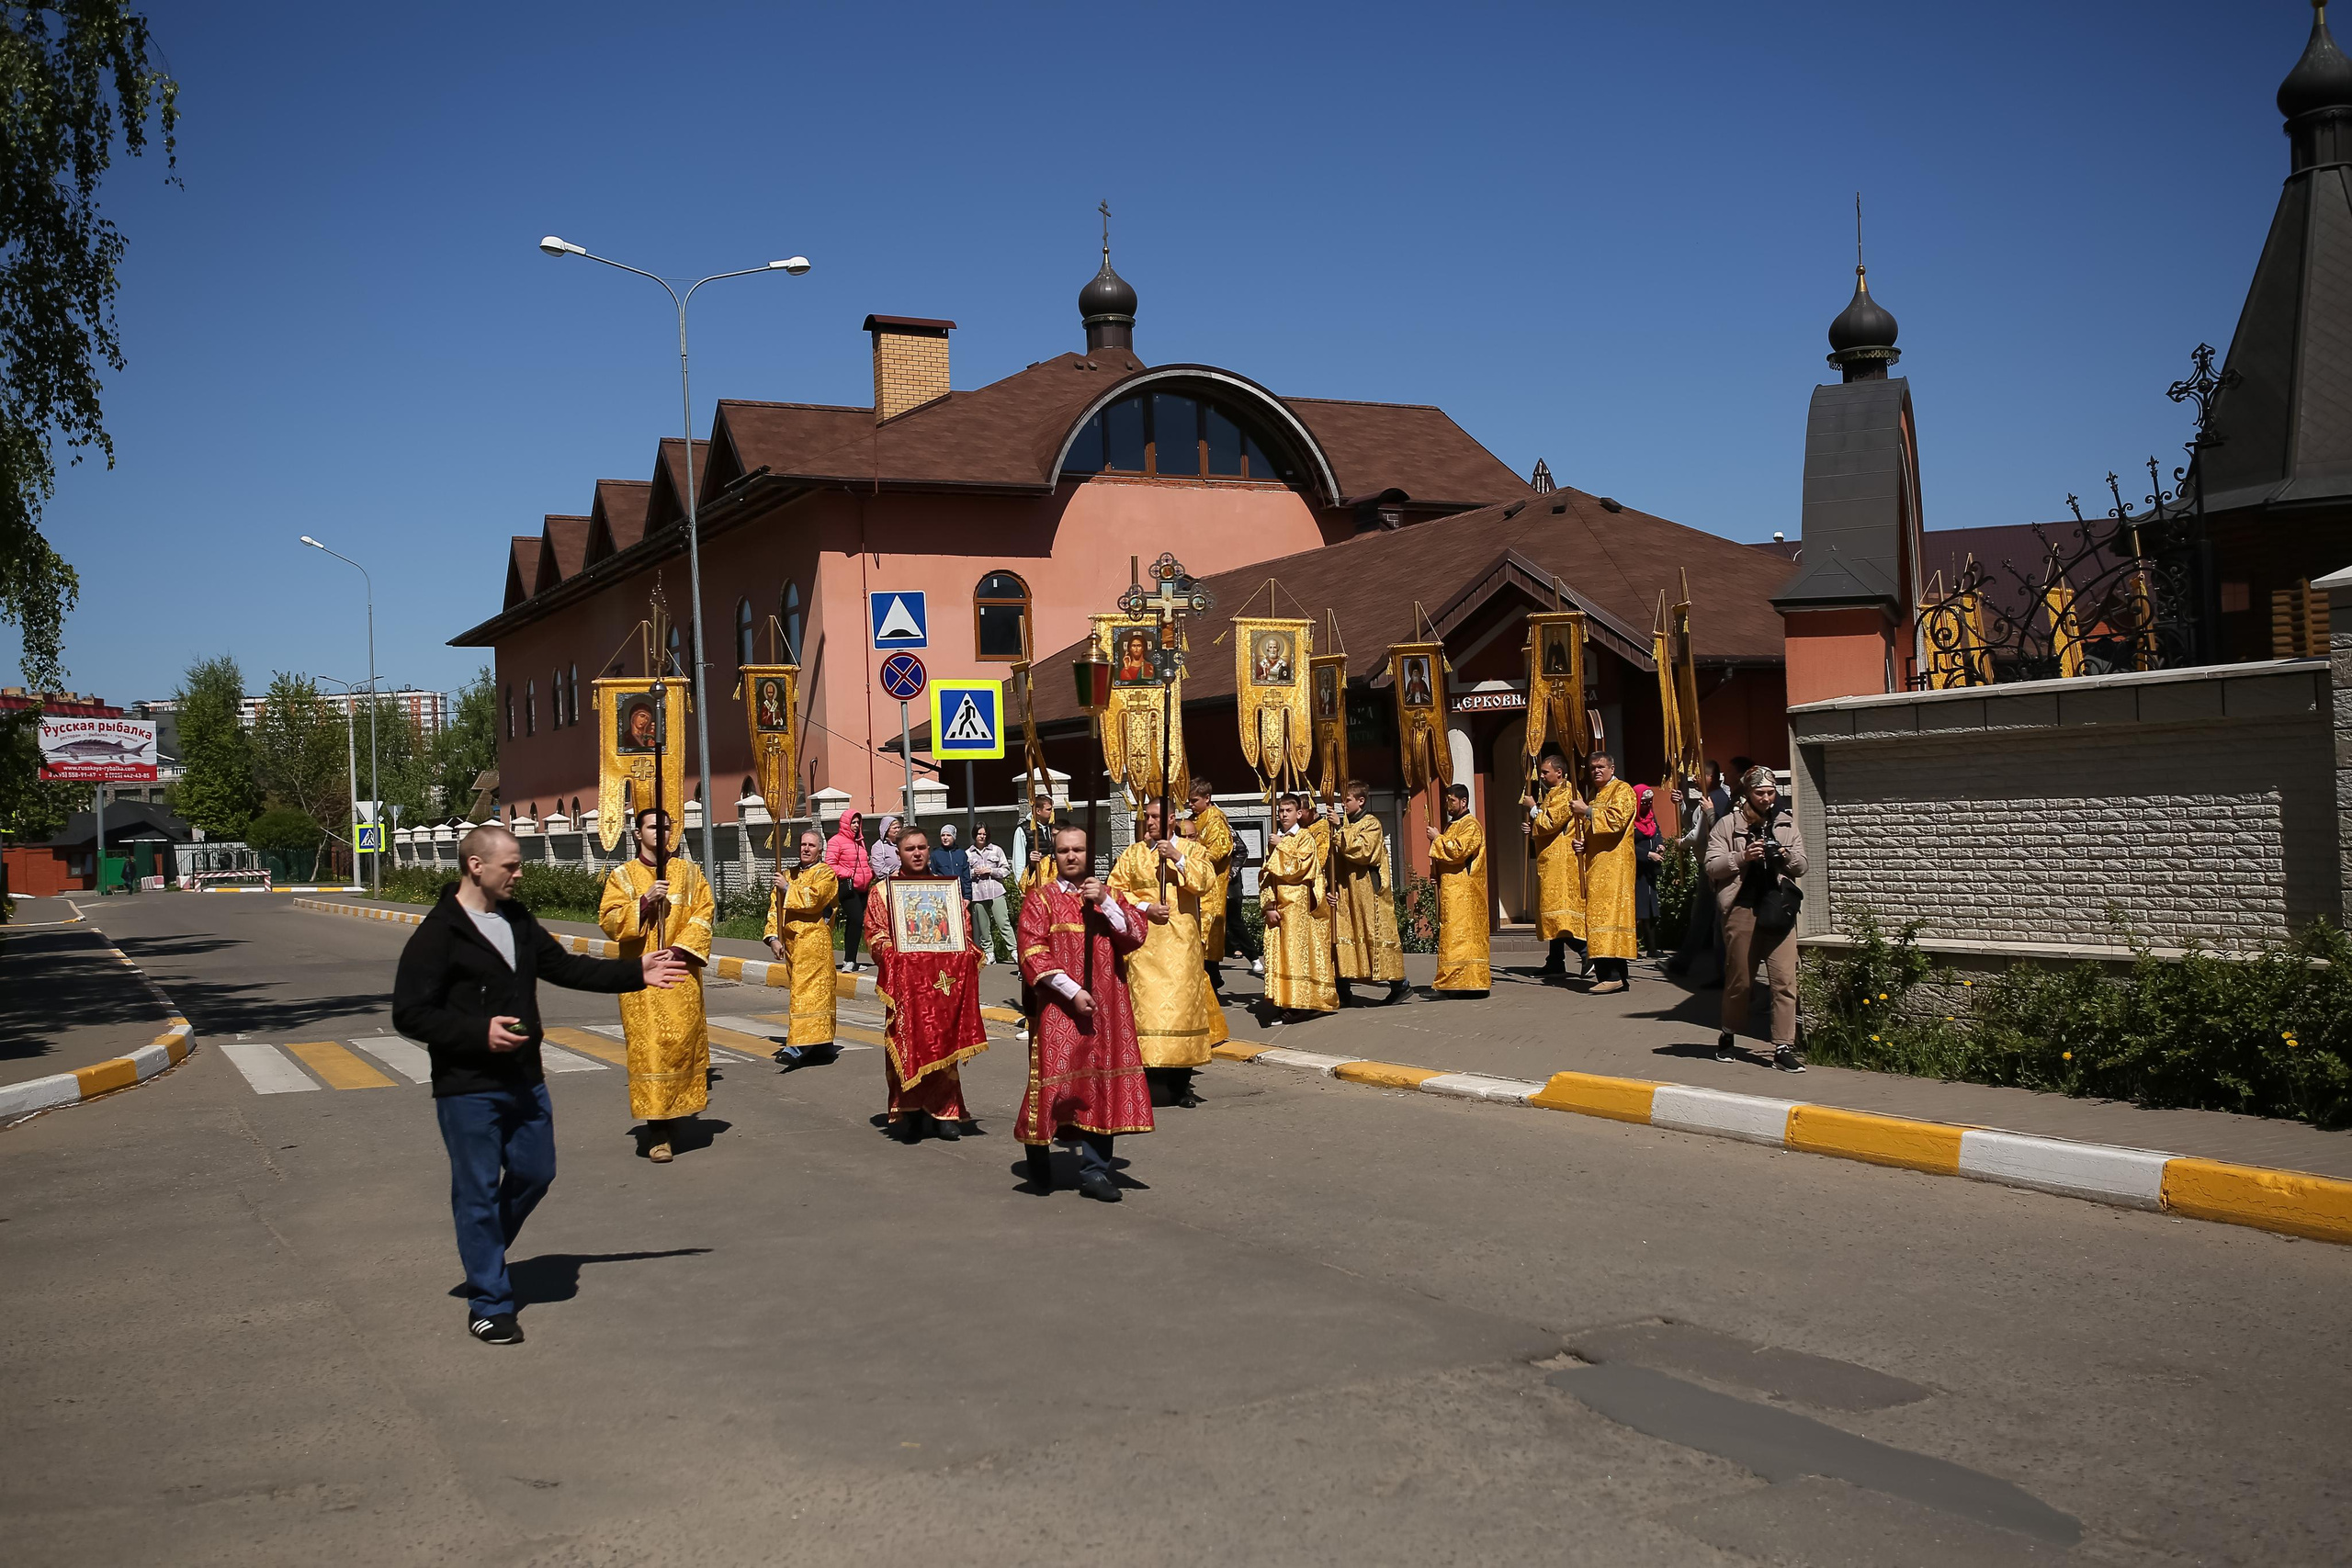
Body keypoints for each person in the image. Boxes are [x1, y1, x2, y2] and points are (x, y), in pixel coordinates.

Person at [393, 824, 685, 1345]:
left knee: (536, 1171)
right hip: (467, 1086)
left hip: (525, 1078)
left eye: (520, 863)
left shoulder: (516, 918)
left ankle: (482, 1251)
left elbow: (565, 968)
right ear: (475, 867)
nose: (520, 873)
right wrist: (476, 1032)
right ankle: (490, 1301)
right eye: (511, 865)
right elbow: (409, 1014)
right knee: (477, 1193)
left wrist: (635, 971)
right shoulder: (439, 932)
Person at [1017, 826, 1152, 1201]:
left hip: (1108, 1006)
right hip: (1061, 1007)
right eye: (1064, 851)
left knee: (1100, 1085)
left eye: (1078, 850)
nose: (1071, 856)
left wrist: (1106, 903)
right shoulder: (1040, 899)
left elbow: (1136, 935)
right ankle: (1040, 1158)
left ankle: (1095, 1171)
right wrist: (1072, 991)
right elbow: (1032, 952)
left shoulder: (1110, 895)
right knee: (1057, 1083)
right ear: (1054, 855)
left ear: (1089, 853)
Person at [597, 808, 716, 1163]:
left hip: (679, 972)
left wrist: (680, 949)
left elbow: (704, 913)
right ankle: (657, 1131)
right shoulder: (623, 877)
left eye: (666, 827)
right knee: (649, 1050)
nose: (661, 833)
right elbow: (610, 921)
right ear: (637, 834)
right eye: (652, 827)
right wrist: (645, 902)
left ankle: (674, 1111)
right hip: (641, 980)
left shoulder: (690, 873)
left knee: (680, 1043)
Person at [863, 825, 989, 1140]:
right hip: (906, 983)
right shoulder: (883, 891)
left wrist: (966, 951)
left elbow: (962, 930)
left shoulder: (945, 890)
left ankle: (945, 1112)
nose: (917, 853)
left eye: (922, 848)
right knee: (907, 1043)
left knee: (943, 1044)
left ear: (928, 850)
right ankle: (909, 1109)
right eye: (910, 849)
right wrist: (892, 954)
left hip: (940, 984)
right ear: (898, 853)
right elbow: (875, 932)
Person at [1106, 798, 1222, 1106]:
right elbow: (1115, 890)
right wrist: (1145, 907)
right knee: (1146, 1012)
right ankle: (1145, 1081)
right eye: (1147, 817)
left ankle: (1180, 1084)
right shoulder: (1134, 854)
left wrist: (1178, 857)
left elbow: (1206, 882)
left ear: (1172, 818)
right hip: (1144, 946)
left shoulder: (1192, 849)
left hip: (1180, 945)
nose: (1151, 822)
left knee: (1181, 1012)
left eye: (1156, 817)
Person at [1707, 767, 1807, 1073]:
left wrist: (1785, 855)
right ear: (1747, 794)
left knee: (1785, 981)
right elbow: (1712, 866)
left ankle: (1782, 1047)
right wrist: (1743, 857)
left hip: (1778, 910)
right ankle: (1728, 1033)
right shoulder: (1727, 825)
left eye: (1771, 792)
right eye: (1760, 793)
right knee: (1741, 980)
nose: (1766, 799)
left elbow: (1802, 865)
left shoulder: (1786, 823)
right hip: (1742, 910)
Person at [763, 828, 839, 1069]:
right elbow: (775, 908)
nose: (806, 849)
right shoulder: (788, 874)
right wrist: (773, 938)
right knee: (808, 995)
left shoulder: (826, 874)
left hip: (815, 945)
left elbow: (816, 900)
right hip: (793, 946)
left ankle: (796, 1047)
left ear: (819, 850)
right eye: (803, 844)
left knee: (806, 996)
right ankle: (822, 1044)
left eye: (811, 845)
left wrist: (788, 889)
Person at [1327, 780, 1408, 1005]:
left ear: (1361, 801)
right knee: (1342, 936)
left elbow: (1364, 852)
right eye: (1342, 799)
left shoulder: (1371, 823)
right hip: (1345, 891)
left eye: (1348, 799)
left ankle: (1400, 985)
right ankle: (1343, 990)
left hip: (1367, 892)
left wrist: (1341, 830)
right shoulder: (1342, 824)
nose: (1343, 804)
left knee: (1375, 937)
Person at [1259, 793, 1337, 1023]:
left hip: (1298, 903)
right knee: (1279, 953)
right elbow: (1266, 875)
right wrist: (1269, 905)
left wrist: (1281, 846)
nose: (1283, 815)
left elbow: (1300, 868)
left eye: (1288, 811)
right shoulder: (1276, 838)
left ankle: (1299, 1002)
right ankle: (1282, 998)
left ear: (1299, 813)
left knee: (1295, 953)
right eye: (1281, 811)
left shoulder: (1305, 838)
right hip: (1279, 903)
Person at [1571, 752, 1639, 995]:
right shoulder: (1594, 794)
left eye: (1600, 767)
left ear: (1612, 768)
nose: (1596, 771)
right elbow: (1592, 830)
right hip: (1596, 864)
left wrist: (1587, 811)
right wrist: (1583, 844)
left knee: (1609, 918)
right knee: (1598, 919)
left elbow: (1617, 821)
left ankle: (1612, 975)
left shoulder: (1623, 791)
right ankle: (1615, 976)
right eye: (1592, 768)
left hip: (1615, 865)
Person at [1425, 782, 1489, 996]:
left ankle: (1469, 983)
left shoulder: (1471, 825)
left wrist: (1437, 839)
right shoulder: (1452, 825)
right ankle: (1456, 983)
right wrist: (1438, 874)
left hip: (1465, 893)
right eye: (1446, 799)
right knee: (1453, 936)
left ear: (1463, 801)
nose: (1447, 804)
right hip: (1453, 890)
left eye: (1451, 800)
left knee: (1462, 938)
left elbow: (1458, 852)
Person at [1524, 752, 1586, 977]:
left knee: (1558, 914)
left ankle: (1585, 950)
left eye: (1545, 772)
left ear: (1559, 773)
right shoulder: (1553, 793)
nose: (1541, 776)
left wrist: (1533, 809)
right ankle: (1555, 961)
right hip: (1550, 859)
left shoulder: (1568, 793)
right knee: (1550, 912)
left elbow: (1551, 822)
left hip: (1561, 862)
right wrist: (1532, 826)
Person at [1186, 779, 1235, 990]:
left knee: (1207, 935)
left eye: (1194, 800)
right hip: (1194, 883)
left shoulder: (1215, 820)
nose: (1190, 805)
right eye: (1189, 801)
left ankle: (1212, 980)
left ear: (1207, 798)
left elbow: (1219, 850)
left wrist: (1192, 852)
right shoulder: (1193, 818)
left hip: (1211, 886)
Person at [825, 809, 874, 972]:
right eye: (853, 822)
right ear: (846, 823)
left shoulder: (860, 841)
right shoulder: (836, 841)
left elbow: (863, 862)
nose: (856, 825)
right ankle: (848, 961)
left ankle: (851, 960)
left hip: (862, 888)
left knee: (857, 922)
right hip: (848, 887)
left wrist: (869, 873)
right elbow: (830, 864)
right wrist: (849, 874)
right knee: (856, 918)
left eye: (858, 822)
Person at [966, 824, 1015, 964]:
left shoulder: (996, 850)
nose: (982, 836)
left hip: (996, 891)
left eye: (984, 834)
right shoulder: (968, 853)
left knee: (1003, 922)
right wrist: (973, 872)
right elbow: (964, 875)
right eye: (979, 834)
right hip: (977, 893)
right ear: (974, 835)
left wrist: (991, 871)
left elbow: (1006, 870)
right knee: (983, 925)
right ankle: (989, 953)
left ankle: (1014, 950)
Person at [1633, 784, 1663, 956]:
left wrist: (1660, 845)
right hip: (1636, 871)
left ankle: (1652, 948)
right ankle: (1633, 948)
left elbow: (1657, 832)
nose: (1646, 806)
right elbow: (1628, 845)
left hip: (1650, 872)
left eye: (1649, 802)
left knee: (1651, 909)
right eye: (1643, 802)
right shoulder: (1631, 820)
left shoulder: (1651, 817)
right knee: (1636, 910)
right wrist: (1648, 855)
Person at [933, 821, 972, 906]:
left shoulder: (961, 854)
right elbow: (933, 876)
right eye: (943, 835)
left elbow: (966, 878)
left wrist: (967, 897)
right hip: (941, 897)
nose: (945, 838)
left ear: (954, 837)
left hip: (959, 895)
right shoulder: (935, 855)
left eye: (948, 835)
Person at [869, 815, 903, 879]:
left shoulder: (903, 843)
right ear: (886, 830)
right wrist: (892, 873)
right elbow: (878, 869)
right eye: (895, 828)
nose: (898, 830)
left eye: (899, 827)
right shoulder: (878, 846)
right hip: (888, 882)